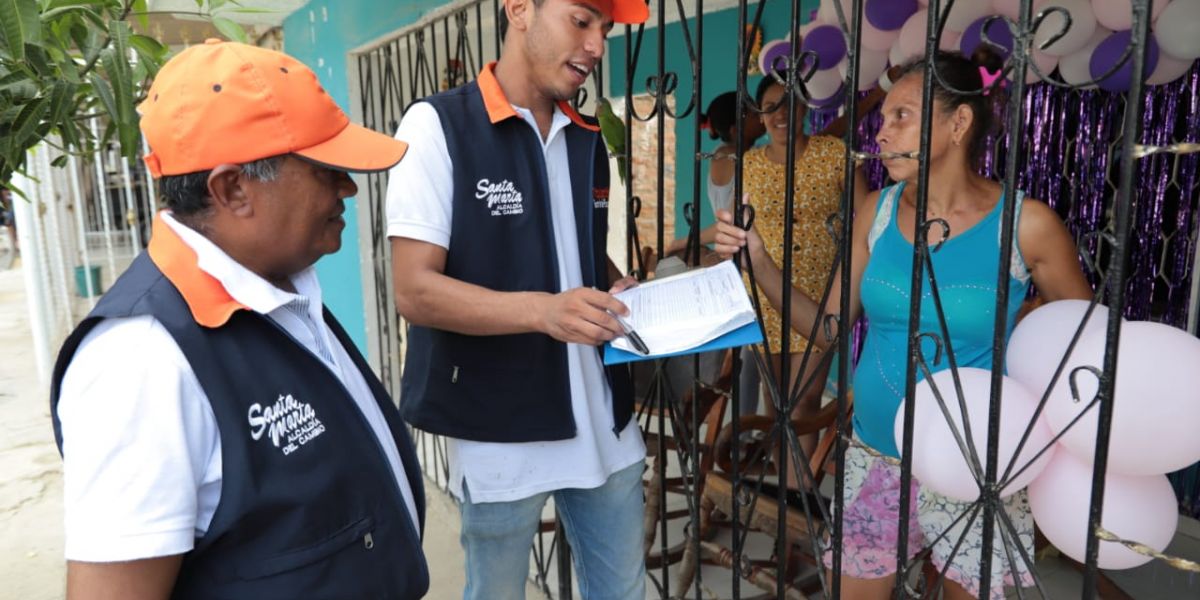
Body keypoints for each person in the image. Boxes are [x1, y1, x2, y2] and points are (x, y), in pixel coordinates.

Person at [50, 40, 428, 599]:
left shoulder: (278, 283)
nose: (347, 186)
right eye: (325, 169)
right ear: (232, 189)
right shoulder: (142, 362)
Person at [714, 50, 1092, 599]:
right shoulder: (880, 212)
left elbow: (1085, 352)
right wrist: (760, 261)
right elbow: (827, 328)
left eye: (902, 117)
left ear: (958, 123)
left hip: (975, 469)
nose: (880, 134)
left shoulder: (1026, 225)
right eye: (883, 118)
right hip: (873, 459)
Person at [385, 0, 650, 598]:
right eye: (582, 21)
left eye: (604, 31)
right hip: (498, 429)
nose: (596, 46)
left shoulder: (586, 138)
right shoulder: (438, 126)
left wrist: (613, 286)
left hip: (605, 423)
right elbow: (414, 289)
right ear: (520, 9)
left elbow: (575, 249)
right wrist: (544, 311)